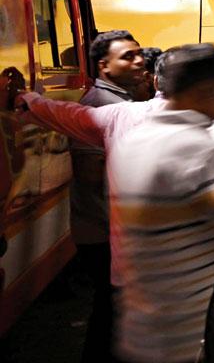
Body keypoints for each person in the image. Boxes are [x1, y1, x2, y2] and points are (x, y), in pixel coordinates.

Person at [107, 44, 214, 363]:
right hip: (195, 332)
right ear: (210, 88)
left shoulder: (133, 141)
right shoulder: (207, 149)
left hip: (142, 330)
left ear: (159, 84)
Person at [76, 30, 145, 362]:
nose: (138, 61)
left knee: (115, 314)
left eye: (138, 53)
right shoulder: (99, 106)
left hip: (112, 231)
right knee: (110, 315)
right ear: (104, 66)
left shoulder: (123, 101)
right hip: (105, 235)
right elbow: (90, 180)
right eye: (127, 56)